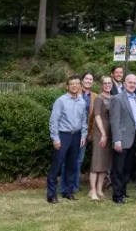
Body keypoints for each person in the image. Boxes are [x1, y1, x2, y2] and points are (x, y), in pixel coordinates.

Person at [47, 75, 87, 203]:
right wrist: (55, 138)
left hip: (76, 136)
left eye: (77, 83)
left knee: (72, 166)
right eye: (72, 84)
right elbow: (54, 121)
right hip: (63, 136)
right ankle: (51, 195)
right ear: (67, 86)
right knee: (56, 165)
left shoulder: (82, 101)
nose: (74, 86)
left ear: (80, 86)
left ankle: (67, 192)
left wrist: (84, 135)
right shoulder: (61, 101)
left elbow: (83, 120)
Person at [60, 71, 97, 195]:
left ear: (93, 82)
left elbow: (93, 118)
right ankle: (64, 186)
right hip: (71, 131)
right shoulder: (74, 92)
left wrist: (89, 134)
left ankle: (74, 185)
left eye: (90, 79)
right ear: (82, 80)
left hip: (84, 132)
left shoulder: (94, 96)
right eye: (86, 78)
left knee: (79, 160)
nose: (88, 81)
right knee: (68, 160)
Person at [110, 74, 136, 204]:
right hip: (122, 140)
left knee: (127, 168)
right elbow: (114, 121)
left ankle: (123, 191)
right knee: (118, 168)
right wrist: (117, 140)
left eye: (134, 83)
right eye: (130, 82)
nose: (132, 84)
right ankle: (117, 195)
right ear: (124, 83)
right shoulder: (117, 98)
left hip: (133, 139)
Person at [88, 76, 113, 200]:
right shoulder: (99, 99)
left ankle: (99, 188)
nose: (108, 85)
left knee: (104, 162)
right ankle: (92, 190)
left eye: (109, 83)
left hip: (110, 134)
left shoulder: (113, 98)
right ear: (101, 85)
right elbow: (97, 116)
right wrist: (103, 134)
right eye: (105, 83)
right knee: (96, 161)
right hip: (100, 133)